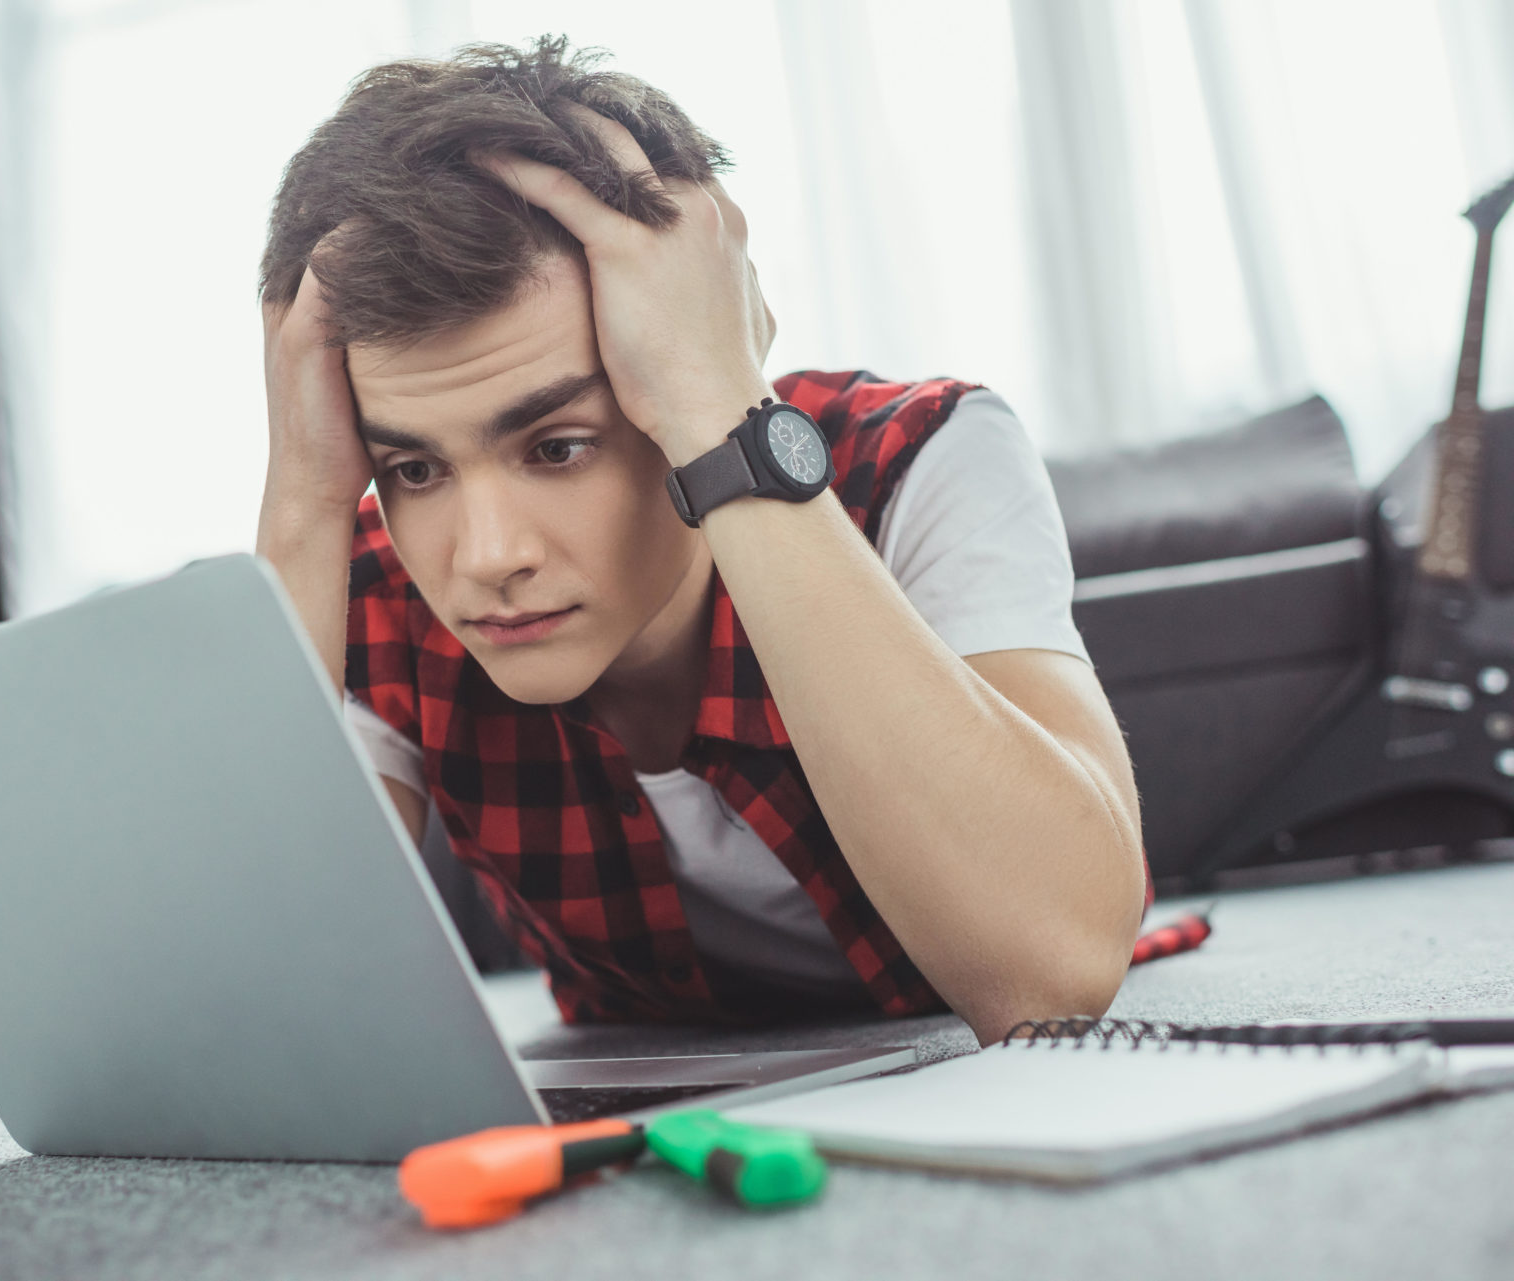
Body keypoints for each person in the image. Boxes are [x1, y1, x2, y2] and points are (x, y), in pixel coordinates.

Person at [253, 34, 1149, 1045]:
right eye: (413, 469)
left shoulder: (915, 459)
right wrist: (303, 505)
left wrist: (721, 413)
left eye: (558, 446)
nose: (487, 555)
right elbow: (253, 1029)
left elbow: (1054, 973)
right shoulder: (368, 591)